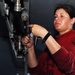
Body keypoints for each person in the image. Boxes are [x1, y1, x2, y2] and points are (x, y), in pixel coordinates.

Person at [22, 3, 75, 75]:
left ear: (72, 20)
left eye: (62, 16)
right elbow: (36, 71)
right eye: (55, 17)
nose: (56, 19)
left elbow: (69, 66)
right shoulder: (52, 44)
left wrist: (44, 34)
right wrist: (30, 48)